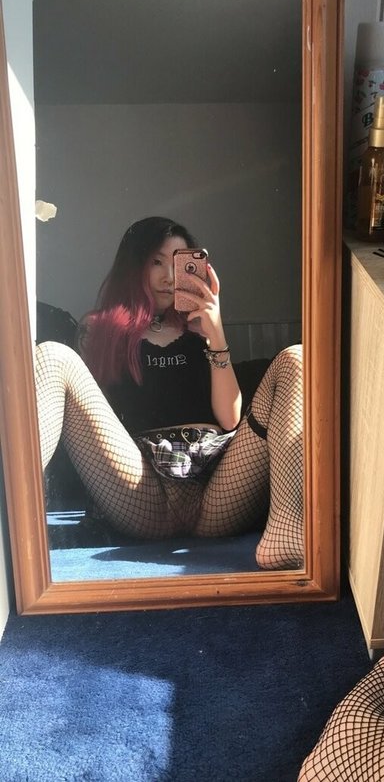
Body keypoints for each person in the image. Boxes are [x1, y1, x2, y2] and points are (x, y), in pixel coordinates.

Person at [36, 216, 303, 569]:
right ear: (134, 266)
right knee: (52, 356)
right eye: (156, 262)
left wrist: (216, 335)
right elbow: (93, 422)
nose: (168, 277)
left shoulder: (200, 329)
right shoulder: (99, 327)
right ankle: (12, 519)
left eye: (179, 264)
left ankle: (286, 529)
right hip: (142, 489)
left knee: (296, 358)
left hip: (216, 490)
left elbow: (229, 419)